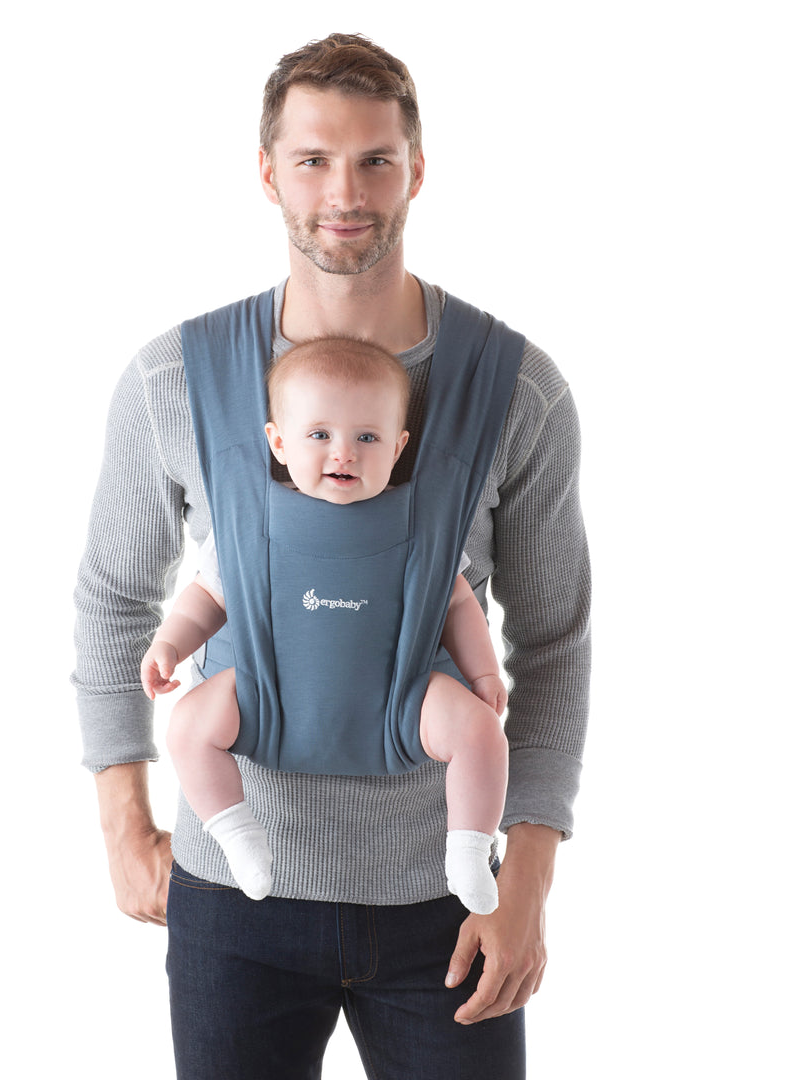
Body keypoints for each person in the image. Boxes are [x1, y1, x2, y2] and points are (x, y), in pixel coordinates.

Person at [73, 32, 590, 1080]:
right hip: (234, 906)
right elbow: (116, 598)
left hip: (445, 909)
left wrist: (524, 878)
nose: (343, 192)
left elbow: (556, 641)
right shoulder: (175, 379)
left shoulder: (517, 389)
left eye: (374, 159)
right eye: (312, 159)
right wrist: (125, 824)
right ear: (268, 172)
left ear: (418, 169)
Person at [140, 336, 509, 913]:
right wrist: (168, 644)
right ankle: (238, 835)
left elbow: (457, 604)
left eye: (368, 437)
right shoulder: (249, 528)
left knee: (482, 732)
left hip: (401, 703)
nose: (344, 453)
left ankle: (467, 847)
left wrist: (484, 673)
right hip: (267, 700)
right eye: (320, 435)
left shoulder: (418, 525)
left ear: (398, 446)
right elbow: (205, 600)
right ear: (278, 442)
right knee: (189, 725)